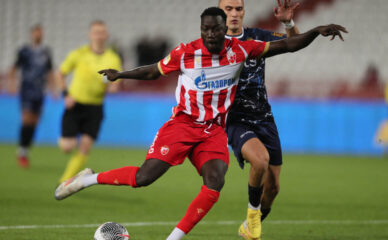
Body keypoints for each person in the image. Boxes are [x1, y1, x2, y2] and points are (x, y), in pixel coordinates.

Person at [54, 7, 347, 240]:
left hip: (213, 131)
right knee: (144, 178)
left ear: (224, 29)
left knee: (215, 181)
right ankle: (86, 179)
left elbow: (289, 44)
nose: (209, 34)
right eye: (205, 29)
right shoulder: (186, 53)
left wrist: (316, 31)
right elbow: (154, 71)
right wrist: (122, 74)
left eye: (215, 29)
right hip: (182, 124)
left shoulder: (241, 50)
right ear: (201, 30)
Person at [218, 0, 301, 238]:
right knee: (260, 160)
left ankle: (249, 225)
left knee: (273, 187)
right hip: (235, 120)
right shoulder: (213, 44)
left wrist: (288, 22)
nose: (234, 14)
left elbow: (294, 42)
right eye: (228, 9)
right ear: (220, 12)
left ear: (244, 12)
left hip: (264, 118)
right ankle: (253, 217)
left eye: (238, 9)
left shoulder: (257, 37)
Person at [56, 20, 122, 183]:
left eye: (102, 32)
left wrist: (112, 87)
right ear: (90, 35)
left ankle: (65, 181)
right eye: (96, 32)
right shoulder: (79, 54)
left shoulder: (112, 58)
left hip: (95, 107)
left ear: (106, 35)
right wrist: (65, 94)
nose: (99, 36)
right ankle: (66, 146)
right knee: (67, 147)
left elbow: (116, 84)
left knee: (85, 146)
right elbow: (60, 73)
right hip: (75, 104)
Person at [8, 24, 55, 168]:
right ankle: (22, 151)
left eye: (40, 32)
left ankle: (25, 150)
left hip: (40, 92)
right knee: (26, 120)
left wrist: (53, 89)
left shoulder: (46, 52)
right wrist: (12, 84)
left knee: (34, 122)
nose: (38, 35)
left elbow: (49, 71)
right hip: (27, 90)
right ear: (31, 34)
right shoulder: (24, 51)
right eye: (36, 32)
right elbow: (13, 68)